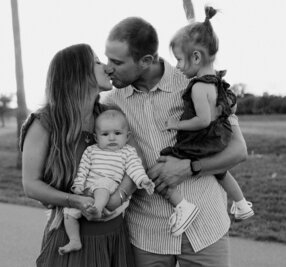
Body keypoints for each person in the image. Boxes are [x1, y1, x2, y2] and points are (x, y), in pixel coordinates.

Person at [101, 15, 248, 267]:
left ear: (146, 60)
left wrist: (190, 167)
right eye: (106, 59)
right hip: (147, 234)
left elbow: (238, 150)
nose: (107, 68)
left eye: (116, 62)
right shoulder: (111, 103)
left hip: (206, 227)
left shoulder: (197, 83)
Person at [20, 43, 136, 267]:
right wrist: (76, 201)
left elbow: (134, 160)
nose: (107, 67)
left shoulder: (110, 117)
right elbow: (30, 185)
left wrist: (117, 197)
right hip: (71, 236)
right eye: (97, 62)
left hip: (114, 234)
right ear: (79, 71)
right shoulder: (45, 122)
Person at [160, 6, 254, 222]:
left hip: (204, 139)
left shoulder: (198, 87)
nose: (177, 66)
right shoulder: (218, 83)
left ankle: (183, 208)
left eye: (179, 60)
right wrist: (190, 14)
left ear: (195, 57)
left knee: (165, 159)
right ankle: (241, 204)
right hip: (219, 138)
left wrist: (176, 124)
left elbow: (202, 120)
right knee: (220, 171)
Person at [59, 108, 154, 254]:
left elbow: (135, 167)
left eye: (117, 133)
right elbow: (83, 169)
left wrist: (143, 180)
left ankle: (97, 209)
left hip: (109, 188)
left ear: (127, 136)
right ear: (96, 138)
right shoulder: (91, 151)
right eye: (105, 134)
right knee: (68, 212)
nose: (111, 138)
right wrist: (78, 185)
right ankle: (74, 240)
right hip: (89, 189)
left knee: (102, 185)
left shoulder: (127, 152)